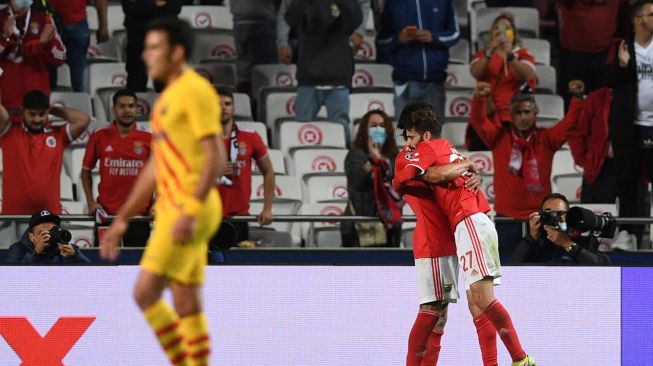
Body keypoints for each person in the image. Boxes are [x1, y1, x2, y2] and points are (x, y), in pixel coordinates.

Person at [100, 18, 226, 366]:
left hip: (188, 205)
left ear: (177, 52)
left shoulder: (195, 91)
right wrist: (122, 219)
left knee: (145, 292)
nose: (146, 55)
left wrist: (191, 209)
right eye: (146, 47)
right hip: (173, 206)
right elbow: (155, 166)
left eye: (154, 47)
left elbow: (217, 156)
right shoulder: (166, 100)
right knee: (185, 301)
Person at [394, 110, 536, 366]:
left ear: (424, 134)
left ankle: (510, 360)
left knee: (462, 305)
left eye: (410, 136)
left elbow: (440, 172)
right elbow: (417, 177)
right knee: (439, 310)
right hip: (435, 238)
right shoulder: (414, 153)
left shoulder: (434, 148)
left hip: (458, 229)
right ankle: (519, 359)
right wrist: (465, 166)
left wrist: (466, 169)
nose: (407, 143)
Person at [469, 81, 585, 253]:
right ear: (511, 115)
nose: (523, 117)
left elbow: (571, 123)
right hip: (507, 220)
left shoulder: (547, 138)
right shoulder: (499, 137)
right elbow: (478, 121)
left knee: (544, 270)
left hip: (542, 219)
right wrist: (478, 99)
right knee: (507, 271)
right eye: (518, 112)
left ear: (535, 113)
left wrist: (577, 98)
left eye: (527, 112)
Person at [604, 0, 653, 246]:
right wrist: (622, 64)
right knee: (628, 182)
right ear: (638, 19)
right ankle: (629, 234)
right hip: (629, 127)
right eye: (652, 14)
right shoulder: (622, 47)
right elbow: (609, 80)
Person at [0, 89, 90, 214]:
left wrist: (53, 109)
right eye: (32, 114)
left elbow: (84, 120)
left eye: (42, 114)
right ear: (22, 112)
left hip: (49, 218)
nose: (37, 119)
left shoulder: (58, 135)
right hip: (13, 217)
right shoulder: (9, 132)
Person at [81, 89, 152, 247]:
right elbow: (85, 171)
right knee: (105, 268)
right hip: (107, 216)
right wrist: (91, 202)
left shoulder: (149, 138)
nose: (127, 110)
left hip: (139, 217)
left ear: (137, 109)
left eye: (131, 106)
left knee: (135, 267)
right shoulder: (99, 136)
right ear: (114, 109)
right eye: (122, 106)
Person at [285, 0, 362, 144]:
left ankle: (341, 163)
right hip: (308, 77)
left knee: (340, 130)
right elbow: (290, 19)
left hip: (338, 77)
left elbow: (355, 20)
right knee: (302, 129)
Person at [378, 0, 460, 121]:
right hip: (404, 81)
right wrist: (399, 39)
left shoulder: (444, 1)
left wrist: (434, 37)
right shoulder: (392, 3)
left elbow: (455, 34)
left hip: (435, 82)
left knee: (434, 136)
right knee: (404, 135)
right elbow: (381, 40)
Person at [468, 13, 537, 150]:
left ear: (514, 34)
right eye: (497, 28)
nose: (502, 32)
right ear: (492, 33)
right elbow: (475, 72)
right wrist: (490, 53)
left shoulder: (522, 54)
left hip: (511, 116)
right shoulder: (483, 54)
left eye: (507, 28)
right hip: (485, 115)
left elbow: (528, 75)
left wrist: (510, 56)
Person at [215, 86, 274, 247]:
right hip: (206, 217)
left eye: (227, 104)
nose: (223, 108)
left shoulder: (250, 137)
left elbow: (268, 171)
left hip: (239, 217)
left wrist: (267, 208)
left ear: (233, 107)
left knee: (236, 270)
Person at [342, 110, 401, 247]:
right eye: (374, 126)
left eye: (382, 125)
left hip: (389, 225)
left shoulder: (394, 154)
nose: (378, 129)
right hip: (360, 225)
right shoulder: (355, 154)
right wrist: (372, 162)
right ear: (365, 129)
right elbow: (356, 182)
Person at [555, 0, 630, 109]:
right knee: (572, 104)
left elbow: (626, 18)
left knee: (600, 106)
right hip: (573, 57)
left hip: (605, 56)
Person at [0, 0, 66, 111]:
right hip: (5, 100)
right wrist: (5, 38)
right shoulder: (1, 18)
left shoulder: (44, 19)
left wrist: (47, 45)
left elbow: (61, 58)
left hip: (36, 101)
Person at [513, 193, 611, 264]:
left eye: (560, 213)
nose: (556, 218)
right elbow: (514, 267)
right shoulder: (538, 242)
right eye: (549, 214)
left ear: (568, 216)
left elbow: (603, 266)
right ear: (541, 216)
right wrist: (531, 237)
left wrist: (567, 244)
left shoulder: (582, 240)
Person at [277, 0, 370, 64]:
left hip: (339, 45)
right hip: (305, 46)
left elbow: (364, 2)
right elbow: (285, 12)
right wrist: (282, 42)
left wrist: (359, 32)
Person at [567, 87, 617, 204]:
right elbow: (578, 133)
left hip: (631, 167)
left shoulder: (641, 97)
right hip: (599, 167)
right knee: (594, 217)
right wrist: (586, 160)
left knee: (632, 217)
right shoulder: (595, 99)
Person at [48, 0, 109, 92]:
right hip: (48, 22)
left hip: (76, 23)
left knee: (77, 80)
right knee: (48, 79)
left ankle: (80, 103)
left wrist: (103, 25)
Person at [121, 0, 182, 91]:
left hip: (165, 41)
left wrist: (147, 5)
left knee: (166, 89)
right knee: (136, 84)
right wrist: (157, 4)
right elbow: (131, 8)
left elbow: (175, 6)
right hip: (138, 41)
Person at [230, 0, 279, 94]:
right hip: (262, 19)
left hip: (239, 20)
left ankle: (244, 105)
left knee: (244, 72)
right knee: (266, 72)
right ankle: (259, 106)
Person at [6, 210, 90, 264]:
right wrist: (35, 253)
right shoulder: (18, 249)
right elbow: (12, 278)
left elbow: (90, 275)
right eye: (42, 233)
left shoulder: (64, 247)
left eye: (52, 231)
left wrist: (74, 256)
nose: (48, 236)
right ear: (31, 236)